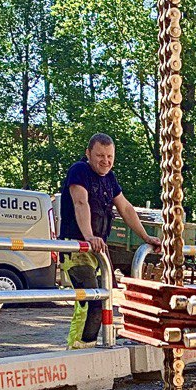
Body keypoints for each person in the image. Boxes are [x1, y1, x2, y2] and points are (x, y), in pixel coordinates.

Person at [58, 133, 161, 349]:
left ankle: (90, 349)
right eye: (100, 156)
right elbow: (80, 202)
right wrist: (88, 236)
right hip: (77, 247)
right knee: (91, 302)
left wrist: (145, 236)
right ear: (88, 154)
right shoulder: (79, 170)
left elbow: (125, 208)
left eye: (110, 156)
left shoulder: (109, 178)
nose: (106, 161)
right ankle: (76, 350)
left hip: (97, 250)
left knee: (103, 300)